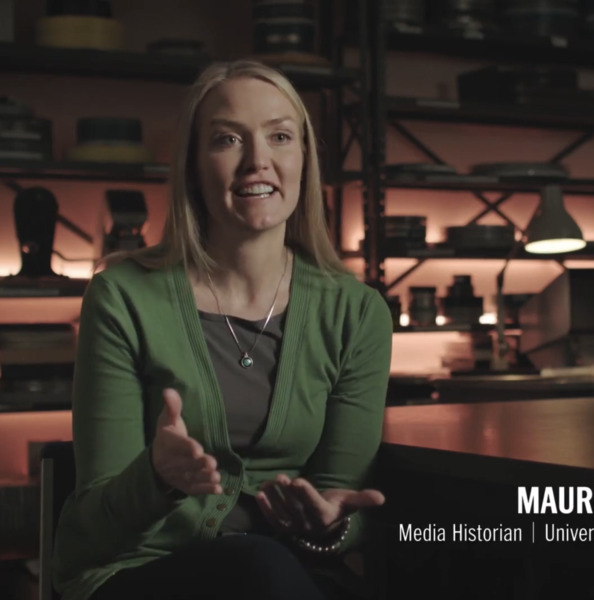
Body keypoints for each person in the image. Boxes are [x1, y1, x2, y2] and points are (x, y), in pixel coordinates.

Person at [52, 59, 393, 600]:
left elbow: (345, 507)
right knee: (255, 564)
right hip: (141, 572)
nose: (258, 161)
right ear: (191, 164)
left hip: (288, 576)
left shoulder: (357, 313)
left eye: (280, 136)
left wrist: (330, 524)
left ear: (304, 159)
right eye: (228, 139)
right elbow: (91, 524)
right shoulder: (122, 297)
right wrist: (156, 478)